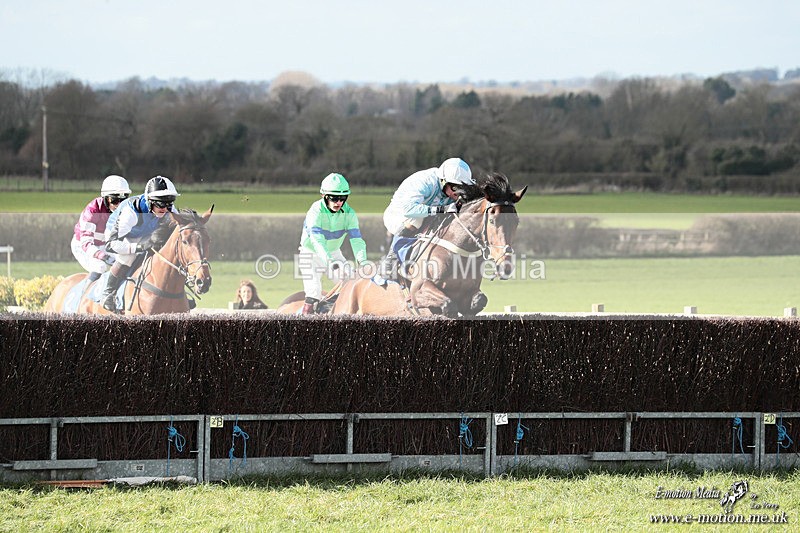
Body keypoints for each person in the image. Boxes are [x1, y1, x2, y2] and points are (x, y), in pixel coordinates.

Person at [378, 157, 474, 280]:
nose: (458, 193)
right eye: (455, 188)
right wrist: (441, 210)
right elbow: (409, 210)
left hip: (429, 213)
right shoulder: (425, 182)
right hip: (400, 215)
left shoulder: (452, 187)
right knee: (416, 220)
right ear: (443, 181)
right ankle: (389, 263)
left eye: (463, 188)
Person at [100, 175, 181, 311]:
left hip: (144, 232)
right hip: (119, 235)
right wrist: (139, 247)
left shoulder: (169, 208)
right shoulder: (130, 212)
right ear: (150, 201)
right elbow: (111, 244)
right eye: (160, 203)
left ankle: (177, 293)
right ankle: (108, 293)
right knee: (128, 257)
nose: (165, 208)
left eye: (169, 202)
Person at [297, 172, 368, 314]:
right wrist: (329, 261)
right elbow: (317, 241)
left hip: (334, 253)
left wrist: (363, 262)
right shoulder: (315, 211)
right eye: (334, 198)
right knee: (313, 293)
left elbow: (356, 240)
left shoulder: (350, 213)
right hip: (310, 254)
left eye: (343, 198)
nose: (339, 202)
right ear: (324, 196)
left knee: (352, 282)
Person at [71, 175, 132, 282]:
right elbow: (86, 244)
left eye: (123, 200)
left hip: (105, 245)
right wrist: (104, 257)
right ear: (105, 198)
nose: (119, 205)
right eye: (114, 200)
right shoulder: (93, 210)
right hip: (83, 246)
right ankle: (84, 296)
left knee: (128, 262)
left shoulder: (127, 211)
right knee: (100, 267)